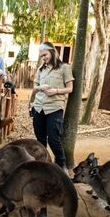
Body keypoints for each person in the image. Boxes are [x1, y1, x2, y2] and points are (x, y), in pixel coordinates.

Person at [29, 41, 74, 173]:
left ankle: (61, 165)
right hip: (38, 107)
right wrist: (40, 88)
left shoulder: (64, 67)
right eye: (41, 56)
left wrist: (55, 91)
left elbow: (70, 88)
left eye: (45, 54)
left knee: (54, 139)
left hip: (54, 107)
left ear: (52, 52)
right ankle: (43, 164)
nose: (43, 58)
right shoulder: (40, 69)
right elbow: (34, 88)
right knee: (40, 139)